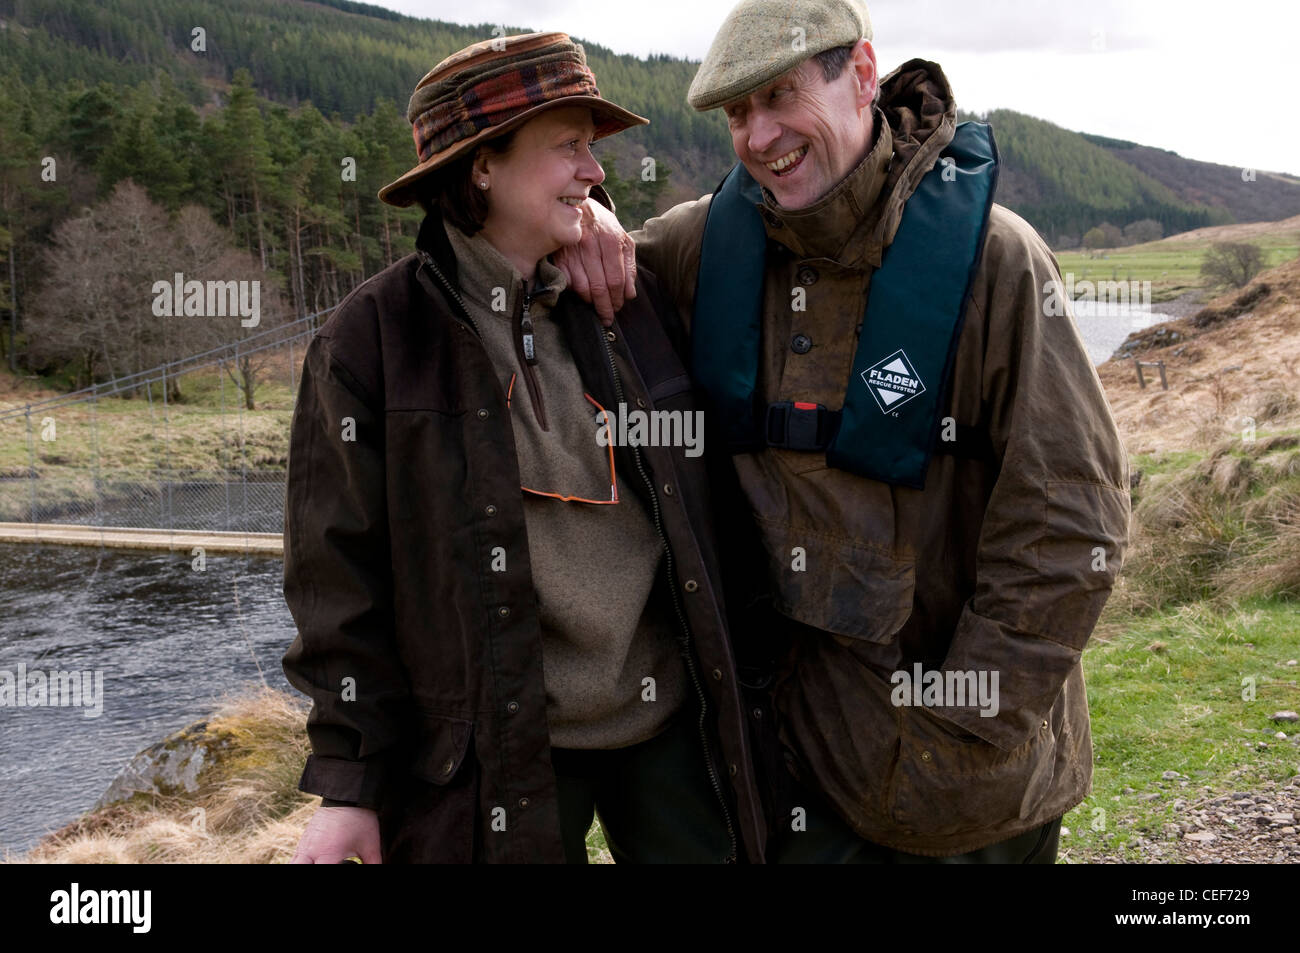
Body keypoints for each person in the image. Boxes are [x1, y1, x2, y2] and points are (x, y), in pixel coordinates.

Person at [557, 0, 1131, 863]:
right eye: (737, 114)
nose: (758, 136)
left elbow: (1070, 525)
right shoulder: (698, 249)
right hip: (792, 778)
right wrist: (588, 217)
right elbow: (552, 257)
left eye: (780, 97)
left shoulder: (998, 263)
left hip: (973, 792)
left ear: (862, 75)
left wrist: (965, 730)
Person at [280, 31, 765, 864]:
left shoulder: (627, 297)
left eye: (593, 147)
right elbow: (336, 578)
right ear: (481, 167)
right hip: (498, 746)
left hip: (671, 722)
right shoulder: (370, 342)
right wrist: (349, 783)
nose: (596, 169)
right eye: (568, 146)